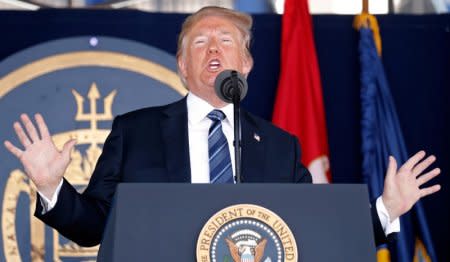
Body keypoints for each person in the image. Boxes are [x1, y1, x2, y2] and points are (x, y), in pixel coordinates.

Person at [3, 6, 441, 248]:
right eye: (200, 42)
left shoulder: (280, 146)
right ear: (181, 65)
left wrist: (386, 209)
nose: (213, 49)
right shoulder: (134, 132)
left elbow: (318, 231)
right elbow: (93, 228)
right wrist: (52, 189)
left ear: (246, 64)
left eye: (226, 41)